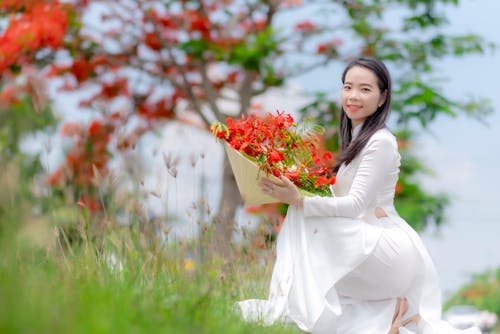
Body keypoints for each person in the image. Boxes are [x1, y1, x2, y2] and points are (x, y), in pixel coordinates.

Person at [236, 57, 481, 334]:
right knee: (311, 233)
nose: (353, 96)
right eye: (348, 87)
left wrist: (300, 199)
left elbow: (354, 206)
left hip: (390, 250)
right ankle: (389, 315)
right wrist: (298, 185)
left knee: (305, 215)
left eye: (365, 89)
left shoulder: (381, 141)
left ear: (382, 98)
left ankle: (289, 306)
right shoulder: (356, 138)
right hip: (370, 237)